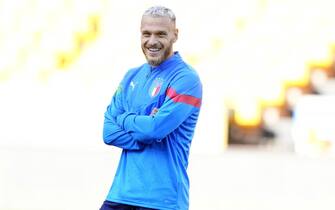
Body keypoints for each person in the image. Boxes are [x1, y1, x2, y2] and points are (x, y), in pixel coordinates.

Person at [100, 6, 202, 210]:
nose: (152, 41)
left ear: (175, 35)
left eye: (161, 34)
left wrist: (125, 119)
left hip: (162, 200)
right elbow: (108, 133)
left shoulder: (186, 79)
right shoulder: (131, 76)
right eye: (146, 34)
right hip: (120, 194)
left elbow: (153, 130)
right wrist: (145, 128)